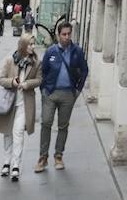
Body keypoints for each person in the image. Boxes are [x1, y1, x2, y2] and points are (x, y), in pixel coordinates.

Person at [35, 21, 88, 173]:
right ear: (58, 35)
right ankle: (42, 158)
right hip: (50, 92)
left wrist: (77, 90)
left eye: (68, 34)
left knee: (63, 126)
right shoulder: (51, 51)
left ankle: (58, 155)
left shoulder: (77, 51)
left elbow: (84, 71)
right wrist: (44, 90)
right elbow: (42, 71)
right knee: (46, 122)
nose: (66, 37)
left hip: (68, 94)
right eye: (63, 34)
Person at [0, 33, 41, 181]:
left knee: (18, 132)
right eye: (30, 44)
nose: (33, 46)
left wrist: (28, 84)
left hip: (25, 103)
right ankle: (6, 162)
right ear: (23, 45)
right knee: (7, 133)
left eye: (34, 44)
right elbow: (0, 79)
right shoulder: (10, 61)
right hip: (9, 102)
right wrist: (12, 82)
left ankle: (16, 165)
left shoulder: (36, 63)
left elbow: (39, 80)